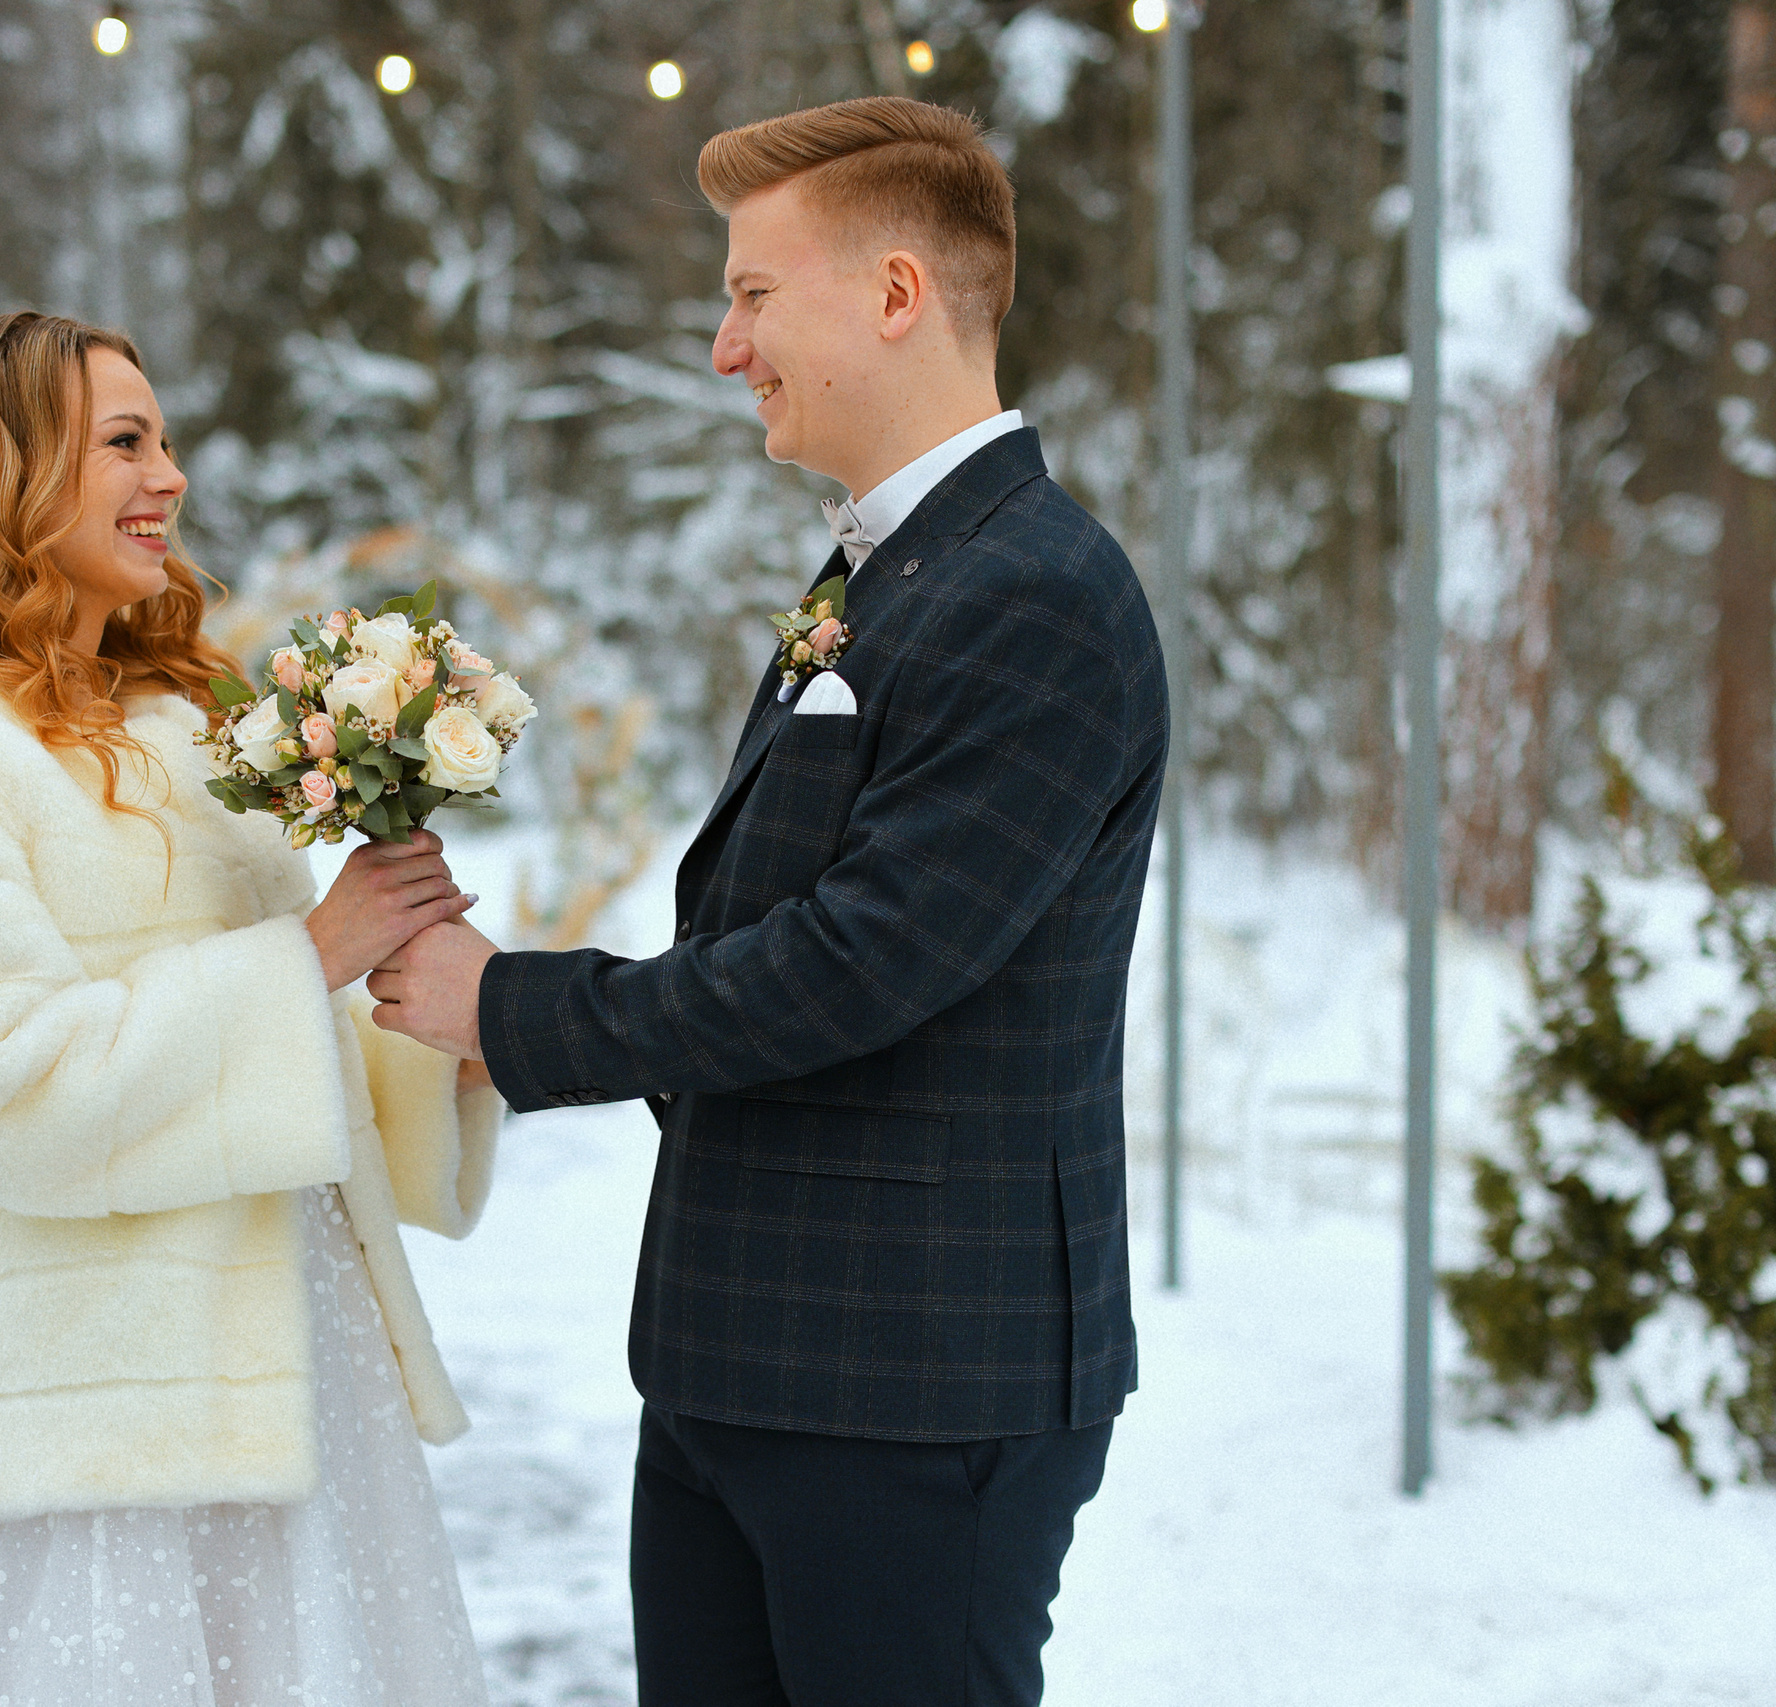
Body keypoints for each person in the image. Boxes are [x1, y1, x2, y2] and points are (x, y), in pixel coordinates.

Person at [369, 98, 1167, 1706]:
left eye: (751, 294)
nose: (727, 348)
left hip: (913, 1385)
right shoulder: (884, 573)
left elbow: (857, 967)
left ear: (893, 294)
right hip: (751, 1365)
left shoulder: (1040, 595)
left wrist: (509, 1009)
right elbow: (771, 933)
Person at [0, 310, 502, 1706]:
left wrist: (438, 1032)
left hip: (294, 1378)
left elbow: (261, 1054)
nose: (168, 476)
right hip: (102, 1418)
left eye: (164, 440)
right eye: (124, 442)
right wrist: (310, 956)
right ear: (1, 471)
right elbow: (21, 1094)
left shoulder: (176, 717)